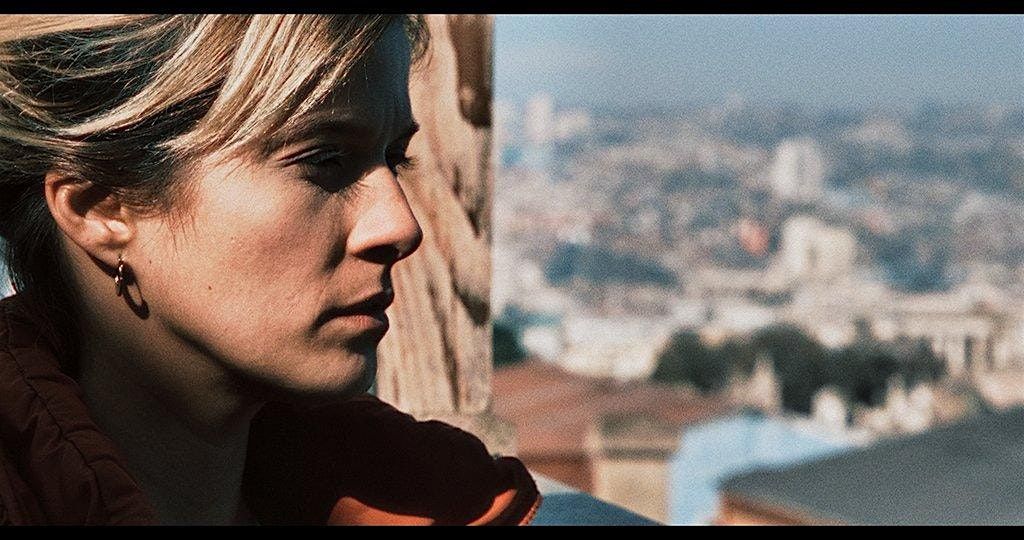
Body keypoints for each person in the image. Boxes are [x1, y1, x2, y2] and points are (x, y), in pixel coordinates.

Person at [0, 14, 539, 525]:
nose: (401, 227)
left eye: (394, 157)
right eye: (324, 159)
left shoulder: (438, 494)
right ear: (102, 210)